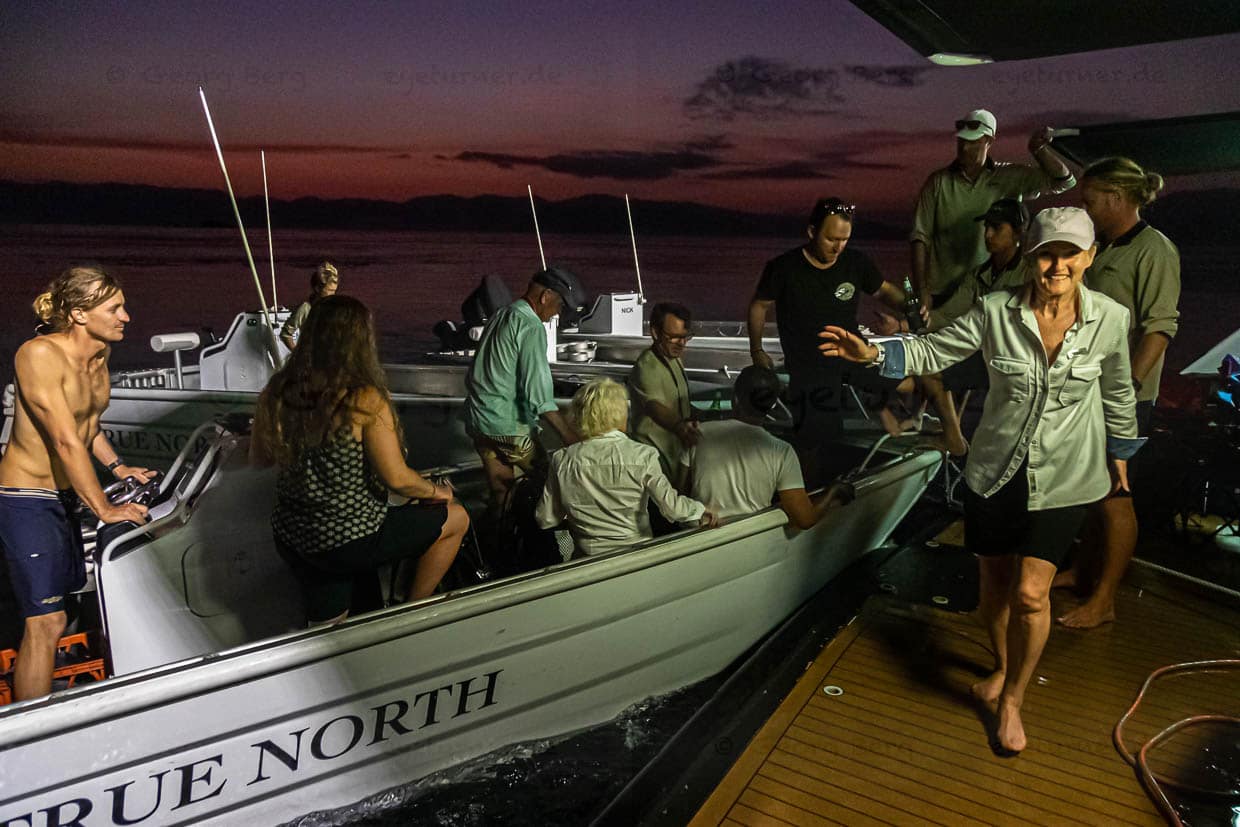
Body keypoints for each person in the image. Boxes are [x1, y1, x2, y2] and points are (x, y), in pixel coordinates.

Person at [819, 207, 1141, 753]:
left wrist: (1122, 452)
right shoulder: (994, 311)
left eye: (1069, 254)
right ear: (1030, 259)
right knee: (993, 589)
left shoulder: (1112, 317)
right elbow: (932, 349)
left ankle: (1013, 699)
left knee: (1032, 595)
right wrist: (874, 352)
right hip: (996, 472)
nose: (1057, 265)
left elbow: (1117, 390)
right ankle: (1002, 666)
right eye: (1046, 253)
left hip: (1066, 476)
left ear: (1089, 257)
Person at [251, 295, 468, 624]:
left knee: (332, 626)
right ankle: (411, 612)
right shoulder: (362, 398)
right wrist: (437, 492)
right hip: (348, 540)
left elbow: (259, 459)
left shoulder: (278, 389)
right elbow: (397, 478)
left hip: (294, 537)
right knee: (457, 518)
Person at [0, 266, 151, 701]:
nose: (127, 317)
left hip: (65, 496)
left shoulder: (100, 354)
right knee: (44, 622)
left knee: (62, 612)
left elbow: (88, 425)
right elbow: (65, 441)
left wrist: (119, 468)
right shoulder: (39, 355)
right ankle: (30, 731)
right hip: (25, 498)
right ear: (81, 315)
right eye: (115, 308)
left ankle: (53, 693)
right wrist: (105, 508)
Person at [1056, 157, 1181, 629]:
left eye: (1089, 201)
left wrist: (1126, 387)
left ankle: (1104, 599)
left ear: (1115, 196)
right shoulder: (1105, 247)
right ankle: (1082, 572)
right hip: (1089, 389)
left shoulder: (1154, 250)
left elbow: (1160, 326)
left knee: (1115, 495)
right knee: (1092, 491)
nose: (1084, 210)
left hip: (1122, 397)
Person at [748, 198, 908, 484]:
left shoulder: (856, 262)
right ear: (812, 232)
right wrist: (756, 349)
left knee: (914, 379)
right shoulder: (783, 268)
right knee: (814, 442)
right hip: (809, 365)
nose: (838, 247)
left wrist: (912, 310)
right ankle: (810, 496)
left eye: (845, 240)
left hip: (852, 353)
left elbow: (884, 291)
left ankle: (891, 417)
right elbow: (759, 306)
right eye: (832, 238)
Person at [910, 109, 1075, 315]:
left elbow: (1064, 181)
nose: (965, 147)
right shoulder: (938, 182)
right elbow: (920, 237)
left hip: (987, 290)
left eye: (973, 141)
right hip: (941, 291)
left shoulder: (1010, 177)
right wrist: (922, 289)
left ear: (989, 140)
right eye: (961, 141)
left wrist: (1038, 149)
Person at [535, 378, 715, 556]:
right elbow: (673, 508)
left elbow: (545, 519)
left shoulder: (563, 459)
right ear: (620, 414)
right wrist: (700, 509)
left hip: (585, 563)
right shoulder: (643, 455)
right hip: (635, 558)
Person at [464, 267, 586, 514]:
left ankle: (500, 546)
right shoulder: (531, 327)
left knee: (502, 496)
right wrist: (571, 438)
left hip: (479, 423)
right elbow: (540, 398)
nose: (557, 314)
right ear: (545, 296)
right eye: (560, 305)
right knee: (551, 486)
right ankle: (552, 548)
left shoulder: (501, 315)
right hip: (510, 429)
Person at [920, 197, 1030, 455]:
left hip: (1017, 359)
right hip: (984, 356)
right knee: (927, 365)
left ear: (1018, 232)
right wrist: (906, 324)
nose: (988, 234)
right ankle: (954, 439)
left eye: (997, 228)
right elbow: (948, 314)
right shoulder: (979, 274)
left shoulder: (1031, 273)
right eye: (986, 227)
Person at [683, 366, 844, 528]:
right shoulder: (781, 451)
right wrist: (833, 491)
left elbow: (680, 489)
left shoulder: (697, 433)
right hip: (750, 538)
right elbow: (804, 519)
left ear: (735, 399)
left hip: (698, 533)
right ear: (773, 404)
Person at [629, 302, 698, 479]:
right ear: (655, 333)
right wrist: (681, 428)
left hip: (676, 459)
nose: (681, 344)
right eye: (674, 337)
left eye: (685, 337)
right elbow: (654, 406)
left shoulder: (674, 359)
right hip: (655, 464)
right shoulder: (647, 366)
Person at [279, 261, 339, 350]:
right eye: (330, 290)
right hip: (312, 358)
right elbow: (286, 334)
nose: (333, 294)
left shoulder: (335, 308)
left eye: (334, 291)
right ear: (317, 288)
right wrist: (297, 355)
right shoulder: (306, 308)